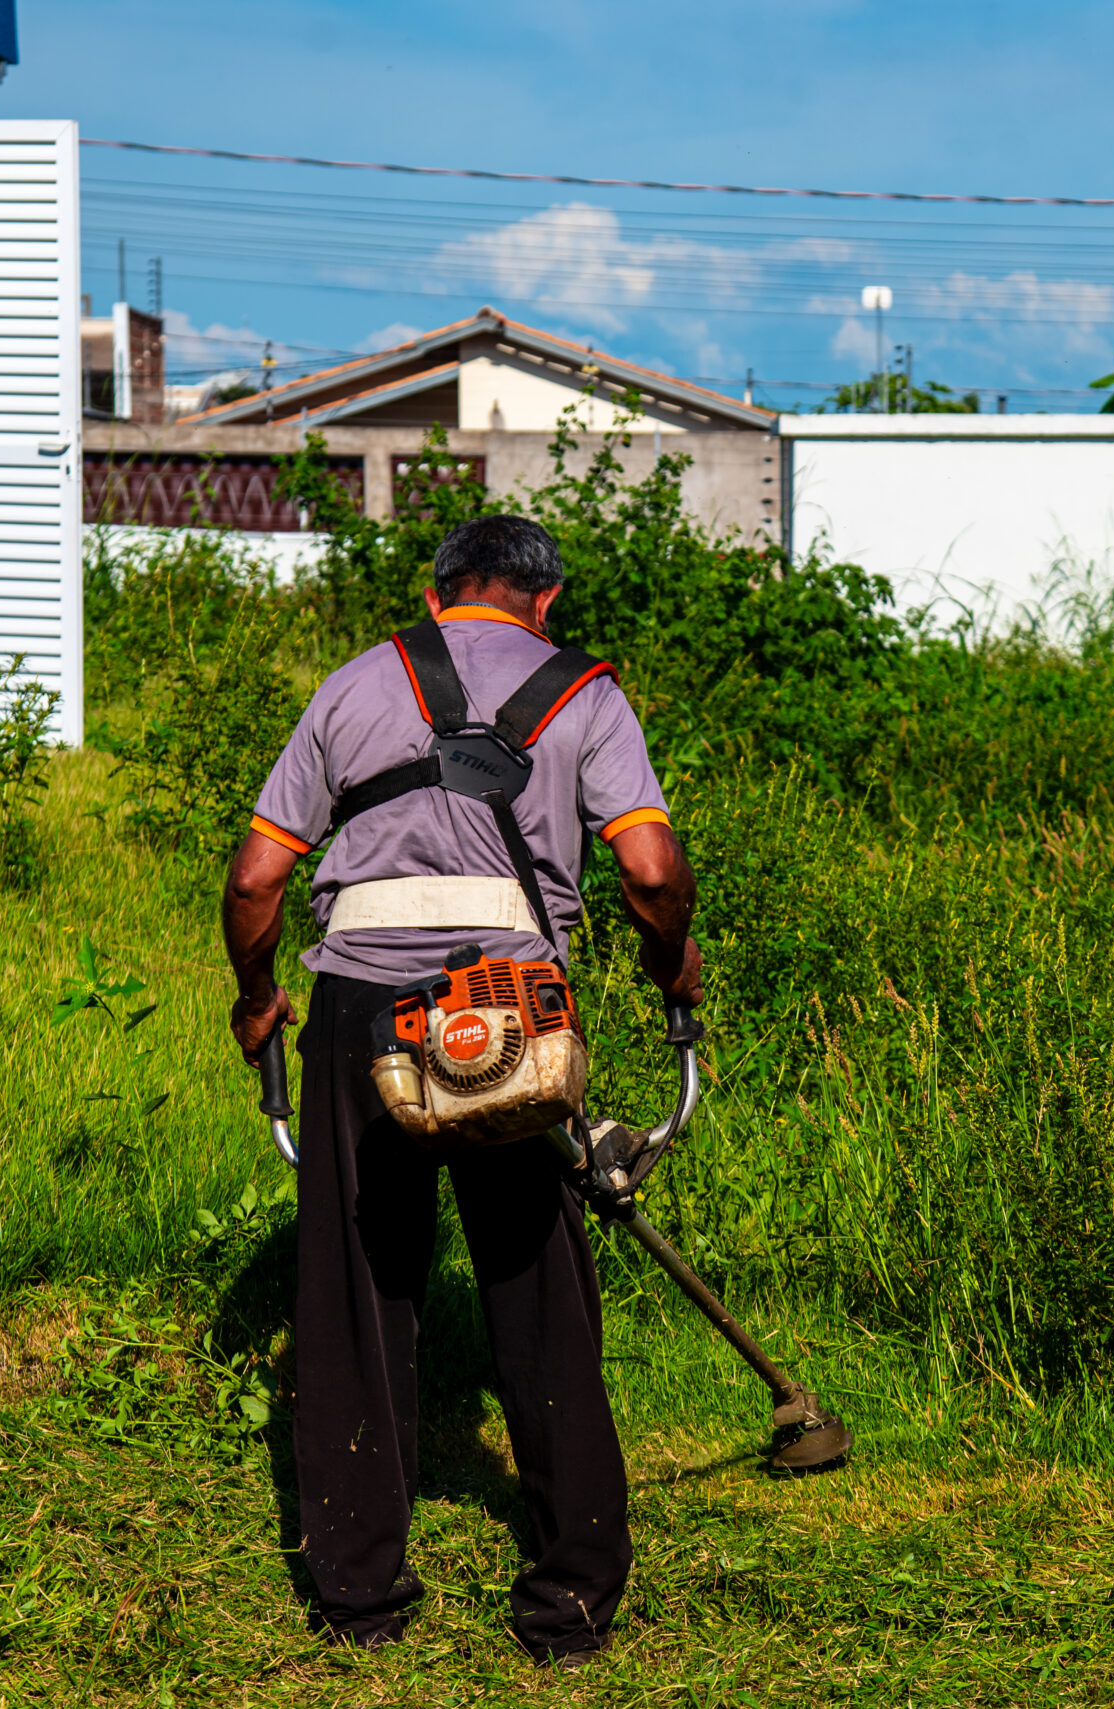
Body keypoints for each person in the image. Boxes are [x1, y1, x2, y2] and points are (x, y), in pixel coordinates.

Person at [221, 513, 702, 1665]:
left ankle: (359, 1598)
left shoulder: (353, 683)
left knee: (352, 1286)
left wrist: (254, 999)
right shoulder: (582, 689)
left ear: (437, 596)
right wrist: (669, 960)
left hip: (354, 1009)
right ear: (545, 601)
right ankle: (570, 1598)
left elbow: (254, 879)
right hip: (510, 1012)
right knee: (538, 1290)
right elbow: (648, 871)